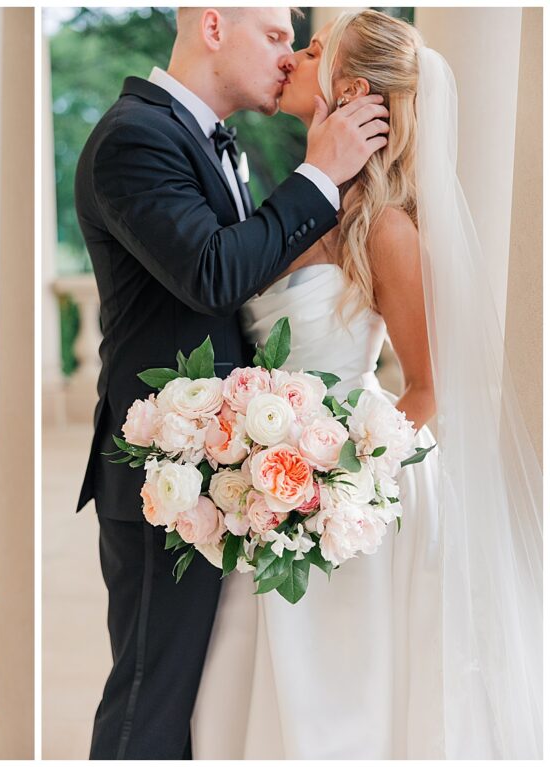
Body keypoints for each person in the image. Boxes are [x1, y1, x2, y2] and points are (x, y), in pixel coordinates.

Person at [190, 10, 541, 759]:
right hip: (273, 486)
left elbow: (428, 386)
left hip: (357, 502)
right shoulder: (299, 197)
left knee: (350, 707)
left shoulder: (387, 227)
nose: (296, 52)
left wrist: (340, 488)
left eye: (314, 47)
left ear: (349, 87)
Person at [73, 7, 389, 759]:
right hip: (162, 474)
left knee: (197, 704)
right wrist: (321, 173)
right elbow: (214, 272)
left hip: (222, 474)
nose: (289, 55)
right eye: (277, 36)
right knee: (150, 702)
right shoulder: (133, 137)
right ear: (213, 27)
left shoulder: (213, 142)